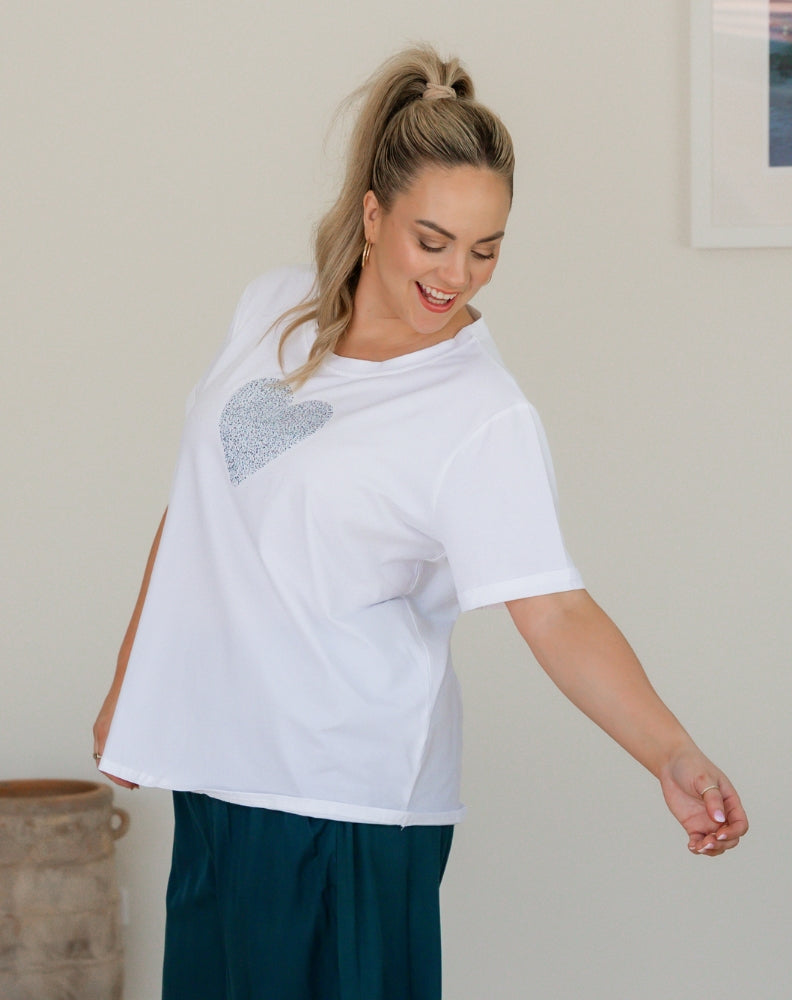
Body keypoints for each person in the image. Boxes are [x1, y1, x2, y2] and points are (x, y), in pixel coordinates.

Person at [93, 45, 748, 1000]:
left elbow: (554, 610)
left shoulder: (478, 412)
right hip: (218, 774)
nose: (457, 276)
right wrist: (133, 691)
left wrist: (671, 750)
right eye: (432, 241)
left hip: (344, 799)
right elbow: (199, 509)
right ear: (373, 215)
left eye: (485, 249)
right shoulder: (271, 310)